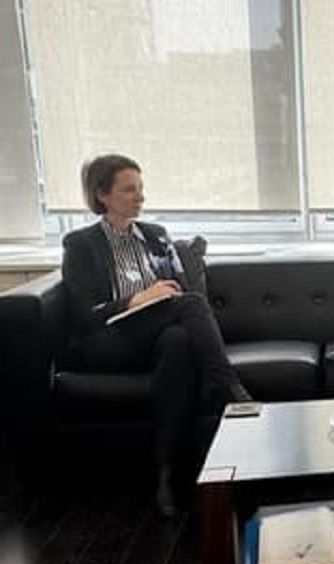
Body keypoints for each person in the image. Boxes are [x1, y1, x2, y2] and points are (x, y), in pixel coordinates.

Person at [62, 154, 253, 517]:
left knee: (178, 342)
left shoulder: (155, 236)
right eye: (128, 190)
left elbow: (177, 288)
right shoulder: (80, 244)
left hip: (158, 333)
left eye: (141, 188)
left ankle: (167, 477)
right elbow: (84, 314)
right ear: (102, 195)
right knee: (192, 305)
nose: (140, 197)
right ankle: (226, 386)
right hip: (109, 339)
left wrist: (162, 296)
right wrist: (136, 299)